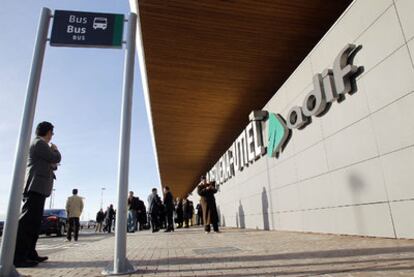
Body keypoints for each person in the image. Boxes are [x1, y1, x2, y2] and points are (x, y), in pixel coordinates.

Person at [14, 122, 61, 268]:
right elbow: (55, 159)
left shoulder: (40, 146)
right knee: (27, 222)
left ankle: (30, 253)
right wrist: (55, 150)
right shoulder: (39, 143)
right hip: (34, 187)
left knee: (34, 223)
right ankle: (19, 257)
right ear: (47, 132)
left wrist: (52, 162)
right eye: (52, 133)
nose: (52, 136)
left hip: (39, 188)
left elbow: (52, 164)